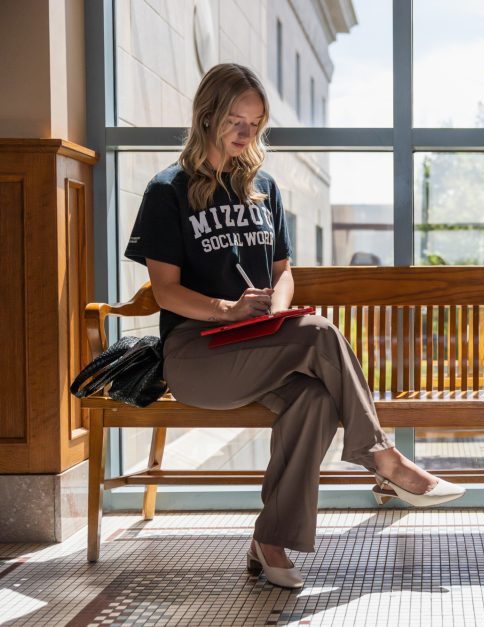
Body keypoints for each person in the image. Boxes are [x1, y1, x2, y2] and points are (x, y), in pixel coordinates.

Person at [124, 63, 464, 589]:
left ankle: (272, 538)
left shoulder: (264, 188)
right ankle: (382, 457)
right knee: (321, 331)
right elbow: (165, 292)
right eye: (236, 120)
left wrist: (278, 309)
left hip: (258, 345)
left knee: (317, 400)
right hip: (196, 355)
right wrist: (227, 309)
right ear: (207, 116)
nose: (246, 134)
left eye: (256, 124)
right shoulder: (167, 190)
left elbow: (285, 273)